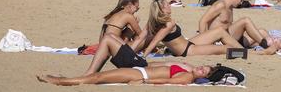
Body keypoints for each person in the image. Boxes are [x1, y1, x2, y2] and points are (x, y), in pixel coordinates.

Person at [141, 0, 278, 57]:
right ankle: (257, 53)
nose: (170, 5)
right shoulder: (167, 23)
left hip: (189, 43)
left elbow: (144, 38)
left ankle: (242, 51)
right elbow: (154, 41)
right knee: (226, 49)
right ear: (162, 9)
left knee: (219, 31)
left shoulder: (156, 22)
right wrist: (144, 56)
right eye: (167, 4)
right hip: (188, 51)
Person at [198, 0, 270, 49]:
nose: (241, 3)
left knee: (262, 32)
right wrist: (204, 41)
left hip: (230, 37)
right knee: (245, 20)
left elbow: (227, 26)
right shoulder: (220, 5)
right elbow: (203, 21)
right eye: (241, 0)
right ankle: (265, 45)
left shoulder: (230, 7)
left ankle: (271, 46)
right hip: (219, 39)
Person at [38, 63, 216, 86]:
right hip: (140, 70)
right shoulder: (188, 69)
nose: (200, 68)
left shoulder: (187, 77)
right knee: (100, 77)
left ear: (202, 77)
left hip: (139, 74)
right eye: (203, 66)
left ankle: (60, 81)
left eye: (203, 71)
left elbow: (167, 80)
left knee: (98, 77)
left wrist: (145, 80)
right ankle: (63, 80)